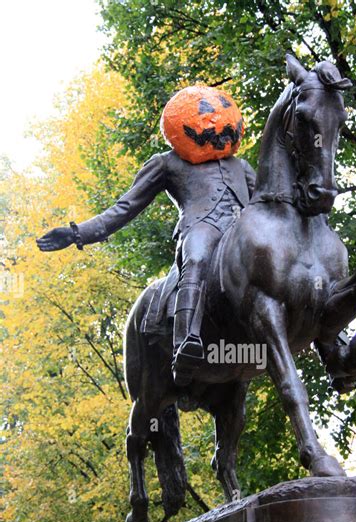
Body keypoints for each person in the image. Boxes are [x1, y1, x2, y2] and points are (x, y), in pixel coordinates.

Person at [37, 148, 256, 386]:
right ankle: (185, 343)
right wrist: (78, 233)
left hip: (243, 236)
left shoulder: (241, 166)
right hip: (201, 228)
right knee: (196, 258)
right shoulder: (167, 163)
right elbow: (126, 206)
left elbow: (267, 204)